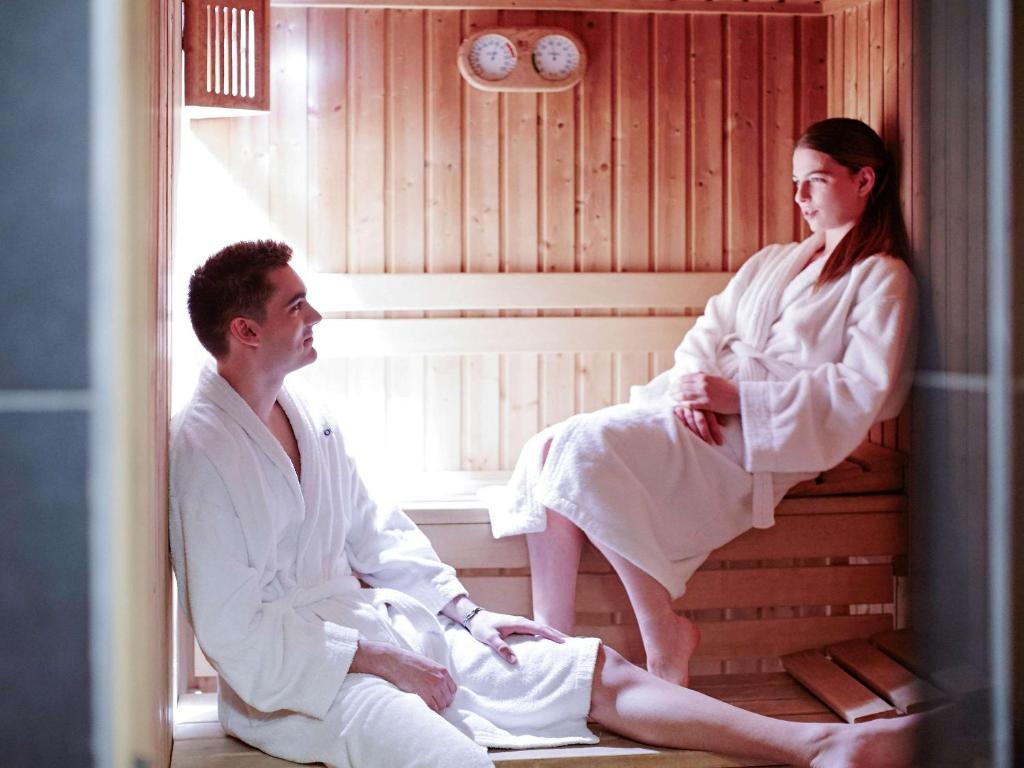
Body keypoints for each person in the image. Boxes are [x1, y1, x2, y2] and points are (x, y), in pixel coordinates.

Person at [170, 237, 917, 768]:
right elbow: (235, 633)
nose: (315, 317)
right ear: (246, 330)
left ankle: (821, 744)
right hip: (305, 681)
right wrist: (383, 661)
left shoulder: (309, 414)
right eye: (297, 305)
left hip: (381, 630)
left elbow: (376, 532)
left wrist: (466, 614)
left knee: (586, 668)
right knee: (448, 758)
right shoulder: (205, 449)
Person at [488, 117, 917, 687]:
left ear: (864, 180)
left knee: (584, 446)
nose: (800, 197)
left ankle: (661, 630)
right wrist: (693, 387)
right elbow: (708, 330)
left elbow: (863, 389)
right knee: (547, 447)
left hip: (771, 436)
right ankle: (554, 639)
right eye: (795, 182)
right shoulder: (775, 261)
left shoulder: (882, 277)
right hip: (707, 409)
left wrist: (740, 399)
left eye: (815, 180)